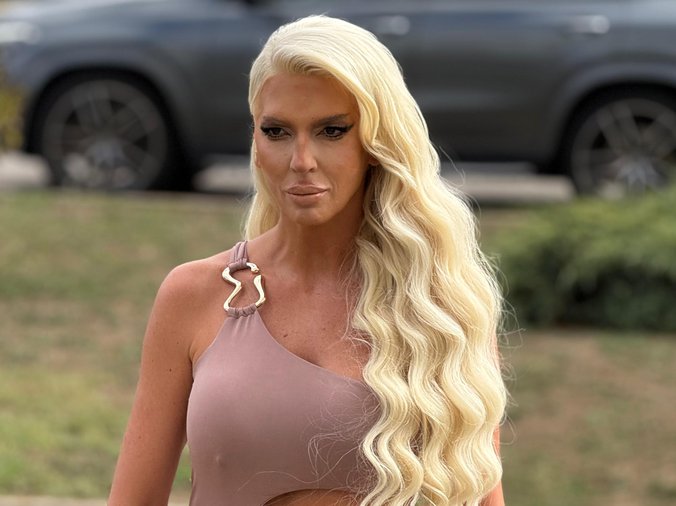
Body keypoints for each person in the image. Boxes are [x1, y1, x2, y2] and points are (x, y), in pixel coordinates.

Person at [108, 15, 507, 506]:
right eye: (276, 131)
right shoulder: (194, 295)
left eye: (331, 131)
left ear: (377, 142)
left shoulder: (441, 305)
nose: (301, 160)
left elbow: (481, 493)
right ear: (255, 141)